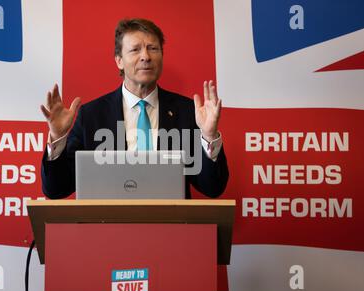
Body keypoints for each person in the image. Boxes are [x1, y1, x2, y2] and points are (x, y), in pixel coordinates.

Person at [40, 18, 229, 199]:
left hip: (171, 226)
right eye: (135, 50)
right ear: (119, 60)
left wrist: (209, 136)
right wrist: (57, 138)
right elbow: (56, 189)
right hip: (107, 227)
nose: (146, 57)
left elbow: (212, 188)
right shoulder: (92, 115)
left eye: (153, 48)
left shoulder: (187, 112)